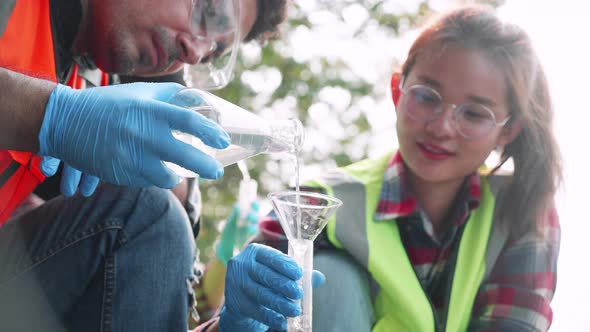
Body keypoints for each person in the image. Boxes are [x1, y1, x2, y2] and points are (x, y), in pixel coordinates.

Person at [0, 1, 323, 331]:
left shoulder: (88, 85)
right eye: (207, 11)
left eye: (213, 51)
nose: (195, 52)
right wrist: (52, 114)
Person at [254, 5, 562, 331]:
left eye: (474, 114)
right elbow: (232, 318)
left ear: (508, 130)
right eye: (427, 97)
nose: (442, 127)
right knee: (329, 278)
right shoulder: (314, 204)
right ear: (396, 91)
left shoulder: (523, 210)